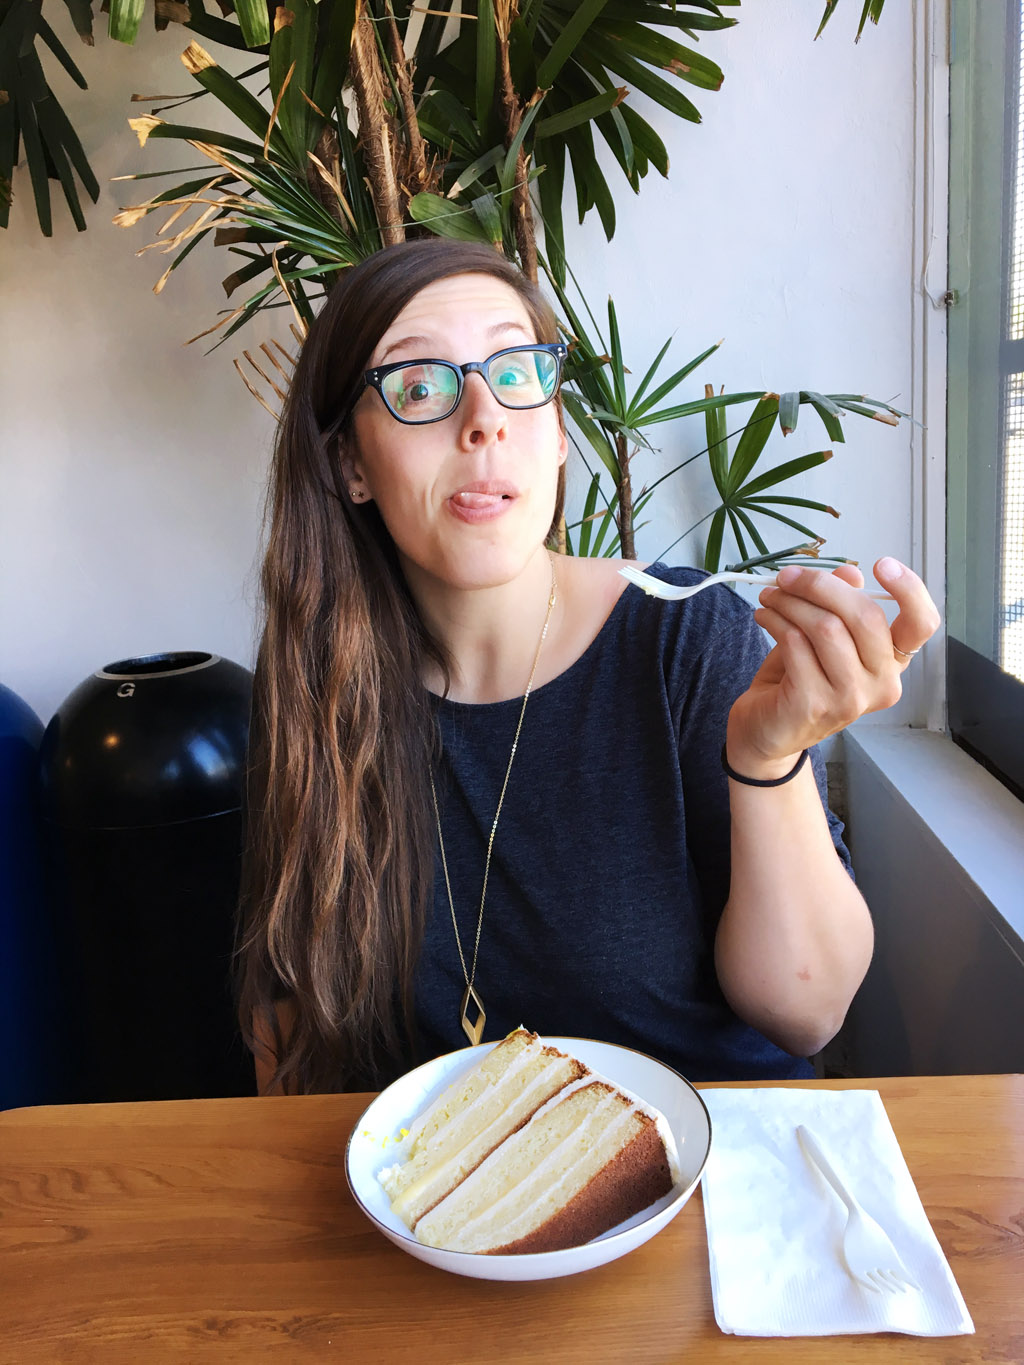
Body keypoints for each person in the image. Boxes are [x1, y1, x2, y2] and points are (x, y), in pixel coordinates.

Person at [236, 239, 941, 1096]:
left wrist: (766, 759)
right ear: (351, 464)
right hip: (460, 1202)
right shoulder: (320, 684)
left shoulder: (685, 638)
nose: (484, 418)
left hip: (709, 1175)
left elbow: (808, 1013)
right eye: (420, 384)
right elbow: (289, 1020)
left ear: (559, 432)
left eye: (517, 372)